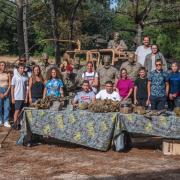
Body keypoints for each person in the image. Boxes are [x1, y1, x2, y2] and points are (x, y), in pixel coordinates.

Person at [11, 63, 28, 128]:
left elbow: (26, 88)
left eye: (23, 68)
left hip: (23, 97)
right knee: (17, 111)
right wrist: (12, 98)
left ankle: (20, 124)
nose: (22, 69)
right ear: (18, 69)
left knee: (21, 112)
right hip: (17, 97)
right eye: (21, 68)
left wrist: (26, 97)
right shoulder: (15, 77)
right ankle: (15, 125)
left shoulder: (25, 78)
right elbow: (12, 87)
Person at [0, 61, 11, 127]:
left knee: (7, 106)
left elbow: (10, 83)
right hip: (0, 90)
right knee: (0, 106)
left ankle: (6, 121)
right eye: (1, 65)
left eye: (4, 65)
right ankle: (0, 120)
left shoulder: (8, 73)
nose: (3, 66)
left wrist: (7, 92)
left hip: (7, 90)